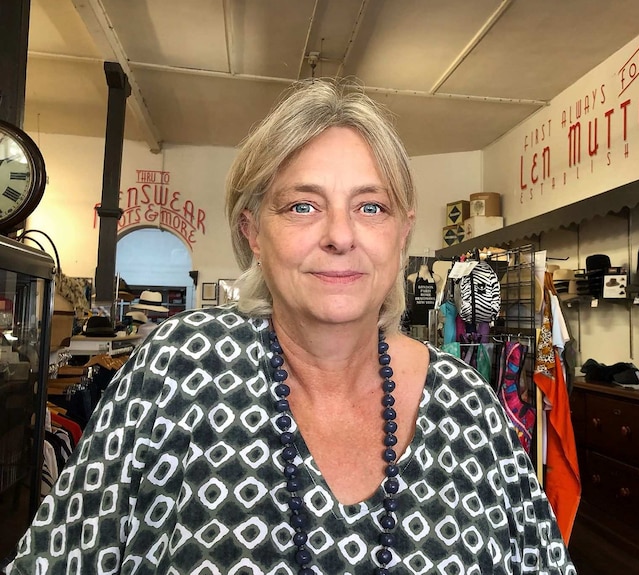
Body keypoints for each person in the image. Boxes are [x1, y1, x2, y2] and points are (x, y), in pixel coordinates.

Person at [6, 79, 577, 574]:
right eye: (303, 205)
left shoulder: (468, 406)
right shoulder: (179, 372)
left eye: (370, 207)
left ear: (402, 233)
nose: (340, 234)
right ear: (253, 231)